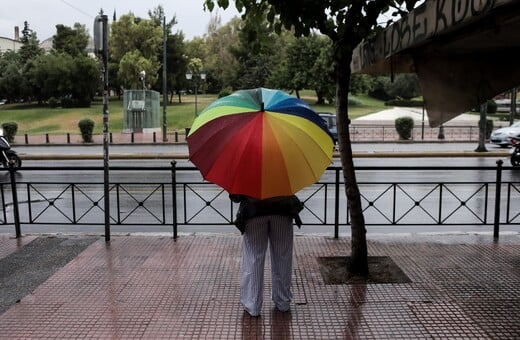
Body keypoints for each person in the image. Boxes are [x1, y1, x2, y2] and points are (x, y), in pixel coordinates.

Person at [230, 194, 303, 317]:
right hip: (282, 210)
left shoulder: (246, 173)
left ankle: (253, 304)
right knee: (282, 257)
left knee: (254, 258)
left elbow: (235, 197)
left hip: (254, 212)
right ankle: (283, 301)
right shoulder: (282, 173)